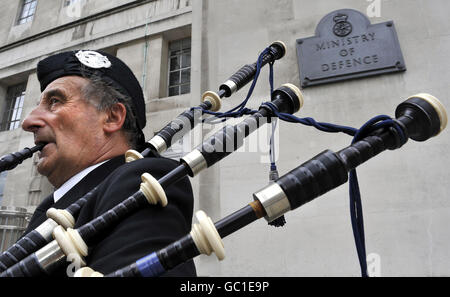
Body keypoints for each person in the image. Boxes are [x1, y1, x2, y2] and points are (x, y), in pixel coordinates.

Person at [21, 50, 196, 277]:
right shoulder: (53, 204)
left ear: (112, 117)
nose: (28, 122)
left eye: (55, 101)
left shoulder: (142, 182)